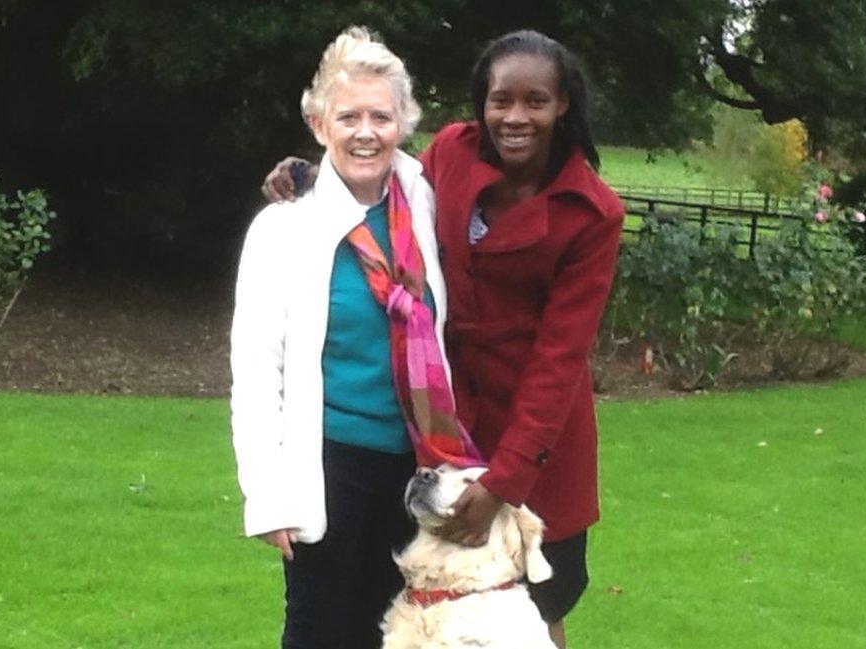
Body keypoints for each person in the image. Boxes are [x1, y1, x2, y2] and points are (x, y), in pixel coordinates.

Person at [261, 30, 624, 649]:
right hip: (437, 426)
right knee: (412, 605)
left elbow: (559, 362)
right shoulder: (452, 153)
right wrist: (310, 174)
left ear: (563, 104)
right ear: (480, 102)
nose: (515, 116)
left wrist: (504, 483)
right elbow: (383, 189)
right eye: (499, 99)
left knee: (531, 611)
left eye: (535, 101)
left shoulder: (592, 213)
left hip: (536, 439)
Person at [231, 26, 477, 649]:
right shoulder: (284, 225)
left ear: (404, 123)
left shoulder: (423, 200)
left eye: (380, 116)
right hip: (328, 465)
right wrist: (267, 495)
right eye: (348, 117)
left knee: (399, 634)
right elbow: (258, 370)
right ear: (318, 124)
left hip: (418, 464)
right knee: (319, 632)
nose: (365, 132)